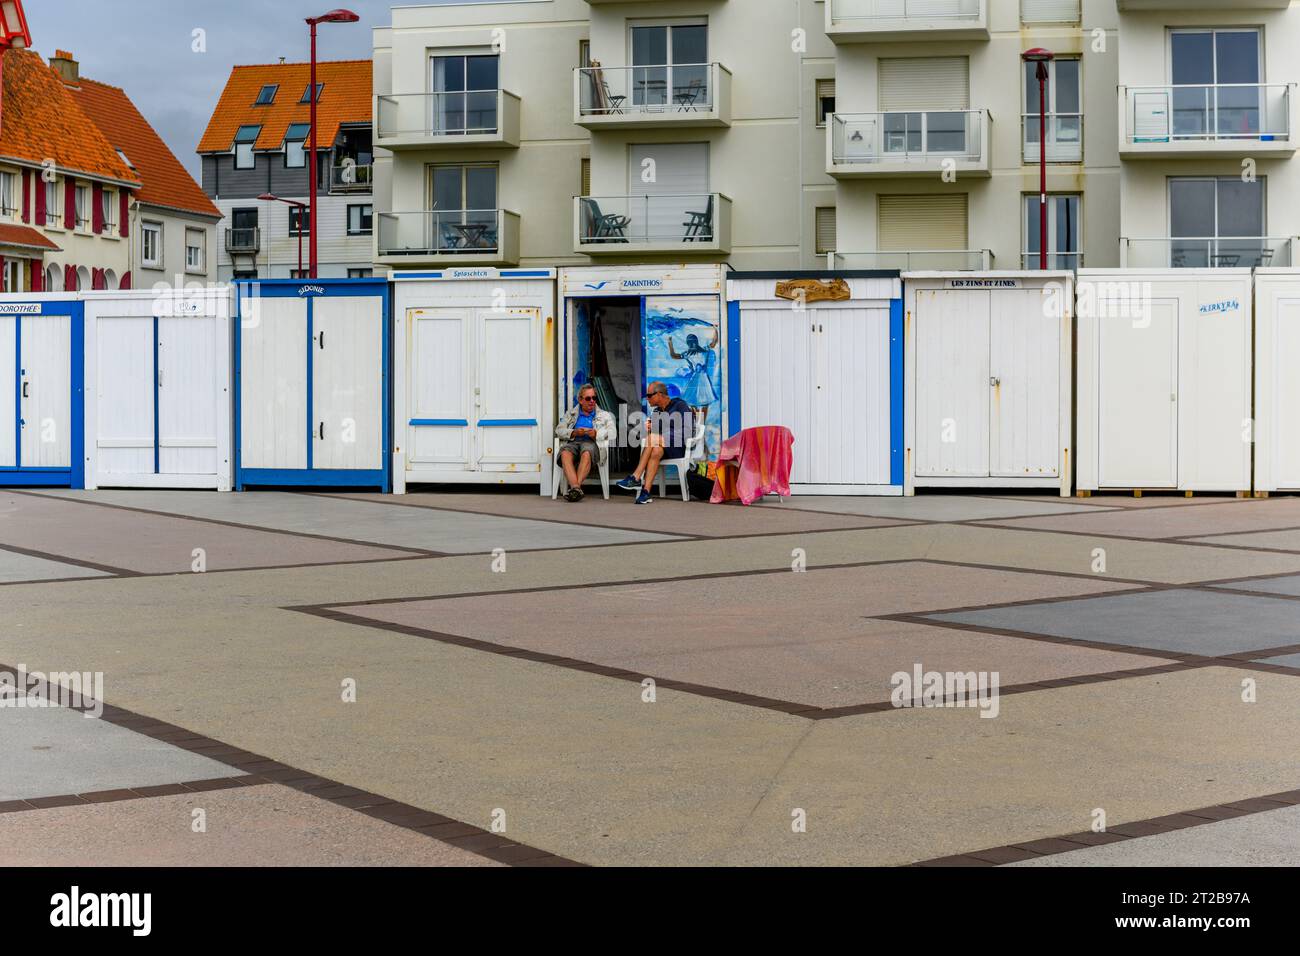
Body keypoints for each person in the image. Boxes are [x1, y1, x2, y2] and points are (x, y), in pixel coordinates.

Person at [616, 381, 695, 505]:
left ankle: (636, 476)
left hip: (679, 446)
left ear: (659, 394)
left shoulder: (680, 405)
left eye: (649, 395)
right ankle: (646, 492)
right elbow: (652, 439)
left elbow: (688, 431)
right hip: (664, 447)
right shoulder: (657, 412)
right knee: (656, 450)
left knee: (654, 439)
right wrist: (650, 429)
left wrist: (660, 434)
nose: (647, 398)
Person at [555, 384, 615, 502]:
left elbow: (613, 432)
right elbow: (559, 430)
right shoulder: (571, 414)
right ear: (580, 400)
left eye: (594, 398)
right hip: (574, 442)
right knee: (565, 453)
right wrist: (574, 432)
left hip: (591, 443)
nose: (592, 401)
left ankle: (574, 489)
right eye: (588, 398)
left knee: (586, 452)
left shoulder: (604, 415)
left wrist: (597, 433)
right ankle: (576, 488)